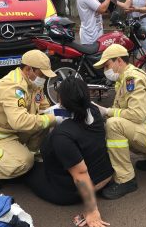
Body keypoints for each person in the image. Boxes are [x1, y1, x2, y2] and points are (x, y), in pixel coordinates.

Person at [0, 50, 61, 192]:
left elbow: (44, 109)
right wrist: (55, 118)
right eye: (42, 74)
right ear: (29, 70)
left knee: (43, 124)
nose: (44, 79)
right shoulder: (11, 87)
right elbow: (20, 122)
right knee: (23, 162)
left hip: (6, 134)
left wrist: (58, 111)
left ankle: (25, 157)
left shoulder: (34, 84)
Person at [92, 44, 146, 200]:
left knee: (114, 125)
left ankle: (126, 180)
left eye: (107, 65)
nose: (105, 70)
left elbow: (136, 115)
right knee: (114, 122)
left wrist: (106, 111)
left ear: (119, 61)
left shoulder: (132, 79)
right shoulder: (123, 79)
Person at [24, 77, 112, 227]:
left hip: (68, 191)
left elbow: (80, 175)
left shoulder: (63, 135)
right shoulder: (94, 111)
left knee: (25, 167)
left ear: (62, 100)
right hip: (104, 176)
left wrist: (92, 211)